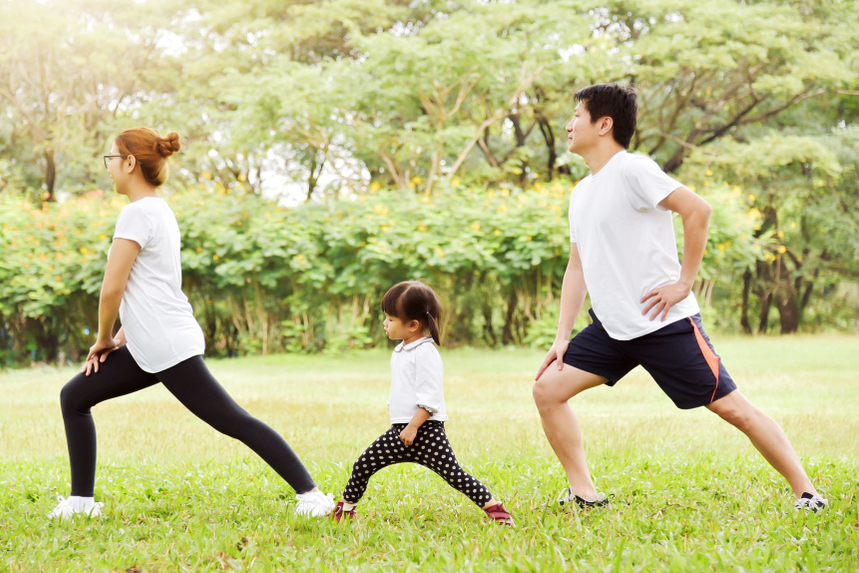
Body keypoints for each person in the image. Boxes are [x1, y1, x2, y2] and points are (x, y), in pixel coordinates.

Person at [532, 84, 827, 513]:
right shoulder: (582, 192)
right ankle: (584, 494)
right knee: (547, 390)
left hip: (663, 322)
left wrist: (684, 282)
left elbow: (697, 209)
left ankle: (808, 492)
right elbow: (577, 267)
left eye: (576, 114)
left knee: (735, 410)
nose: (568, 124)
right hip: (612, 327)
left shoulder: (633, 169)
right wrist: (562, 336)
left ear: (603, 123)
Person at [50, 127, 335, 519]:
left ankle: (312, 496)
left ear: (130, 163)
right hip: (149, 342)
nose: (109, 168)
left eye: (111, 160)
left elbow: (112, 288)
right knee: (75, 397)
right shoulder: (160, 210)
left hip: (166, 346)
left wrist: (101, 339)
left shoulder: (135, 214)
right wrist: (119, 338)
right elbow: (150, 288)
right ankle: (81, 503)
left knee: (231, 419)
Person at [329, 281, 514, 525]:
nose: (385, 323)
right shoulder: (403, 350)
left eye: (390, 319)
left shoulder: (425, 353)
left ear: (413, 325)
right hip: (401, 430)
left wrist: (413, 426)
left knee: (454, 475)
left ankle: (496, 510)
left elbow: (431, 398)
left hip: (425, 432)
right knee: (364, 464)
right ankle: (346, 508)